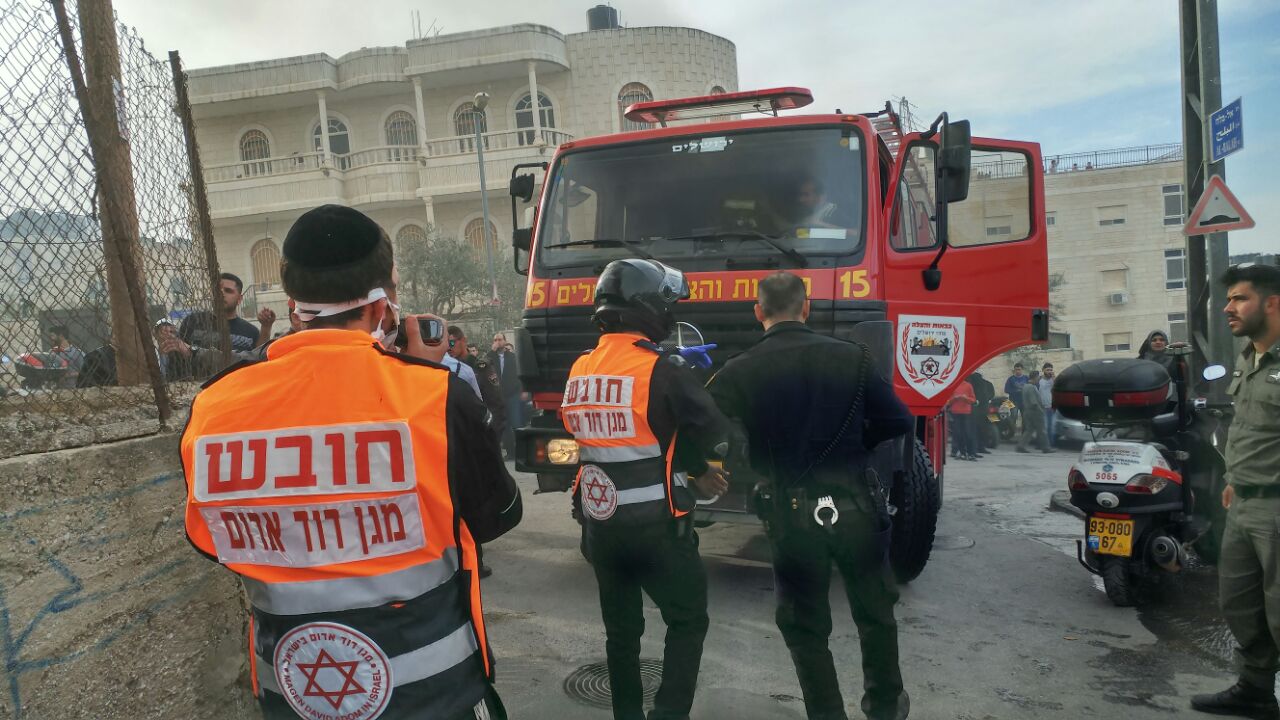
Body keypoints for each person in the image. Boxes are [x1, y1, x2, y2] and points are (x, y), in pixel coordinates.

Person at [181, 204, 521, 720]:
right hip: (434, 694)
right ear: (384, 307)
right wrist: (421, 378)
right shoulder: (436, 396)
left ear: (293, 306)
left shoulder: (215, 404)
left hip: (294, 695)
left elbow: (211, 540)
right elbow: (496, 516)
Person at [708, 271, 913, 720]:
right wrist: (857, 444)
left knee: (804, 626)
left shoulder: (739, 370)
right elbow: (899, 420)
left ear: (758, 312)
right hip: (857, 507)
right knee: (875, 613)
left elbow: (704, 429)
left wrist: (746, 460)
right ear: (806, 308)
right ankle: (884, 707)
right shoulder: (853, 357)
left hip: (791, 514)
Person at [563, 258, 731, 720]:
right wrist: (704, 461)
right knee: (688, 620)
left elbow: (617, 436)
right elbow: (713, 432)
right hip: (658, 532)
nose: (671, 313)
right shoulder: (662, 369)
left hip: (601, 529)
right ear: (648, 308)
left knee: (621, 636)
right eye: (667, 304)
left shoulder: (580, 367)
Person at [1191, 264, 1280, 719]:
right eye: (1228, 299)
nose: (1228, 308)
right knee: (1241, 604)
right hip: (1243, 503)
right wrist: (1232, 481)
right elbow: (1247, 429)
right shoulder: (1249, 358)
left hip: (1276, 506)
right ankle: (1256, 691)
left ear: (1272, 302)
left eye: (1240, 298)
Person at [489, 332, 522, 456]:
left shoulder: (512, 357)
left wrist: (521, 390)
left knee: (516, 423)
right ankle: (510, 452)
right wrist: (492, 352)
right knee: (504, 425)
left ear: (505, 341)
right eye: (495, 340)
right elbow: (482, 365)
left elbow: (519, 374)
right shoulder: (491, 357)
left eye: (500, 339)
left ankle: (520, 451)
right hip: (498, 396)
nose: (498, 342)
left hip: (512, 395)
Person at [1017, 371, 1051, 453]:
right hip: (1035, 412)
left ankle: (1021, 446)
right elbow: (1034, 402)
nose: (1039, 379)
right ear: (1035, 377)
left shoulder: (1025, 386)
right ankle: (1046, 448)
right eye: (1038, 377)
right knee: (1042, 430)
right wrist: (1041, 411)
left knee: (1029, 430)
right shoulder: (1031, 387)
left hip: (1027, 411)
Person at [947, 379, 979, 461]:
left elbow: (973, 399)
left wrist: (966, 398)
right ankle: (962, 453)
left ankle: (971, 453)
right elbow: (948, 401)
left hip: (966, 413)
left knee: (968, 434)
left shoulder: (968, 385)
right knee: (958, 434)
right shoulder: (952, 385)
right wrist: (954, 398)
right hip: (955, 413)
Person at [46, 324, 84, 388]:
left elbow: (85, 371)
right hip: (56, 390)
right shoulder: (51, 352)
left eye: (52, 336)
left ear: (61, 336)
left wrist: (67, 375)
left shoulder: (76, 352)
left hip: (73, 388)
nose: (50, 338)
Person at [968, 372, 996, 450]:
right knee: (983, 429)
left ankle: (976, 447)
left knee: (976, 429)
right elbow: (991, 395)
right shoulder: (987, 384)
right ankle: (981, 447)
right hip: (985, 409)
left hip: (976, 410)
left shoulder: (971, 384)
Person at [1004, 363, 1029, 429]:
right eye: (1016, 370)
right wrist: (1016, 391)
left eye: (1019, 369)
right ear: (1014, 370)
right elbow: (1006, 390)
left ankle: (1025, 432)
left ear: (1022, 370)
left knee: (1025, 418)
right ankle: (1011, 431)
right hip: (1012, 401)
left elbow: (1030, 388)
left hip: (1024, 401)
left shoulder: (1026, 378)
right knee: (1013, 416)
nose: (1018, 371)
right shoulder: (1010, 379)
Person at [1039, 363, 1057, 447]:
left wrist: (1054, 378)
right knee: (1045, 427)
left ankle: (1051, 444)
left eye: (1051, 370)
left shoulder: (1053, 380)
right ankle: (1044, 445)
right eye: (1047, 370)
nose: (1049, 371)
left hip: (1052, 407)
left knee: (1052, 426)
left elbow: (1058, 388)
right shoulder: (1039, 380)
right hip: (1043, 407)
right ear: (1043, 370)